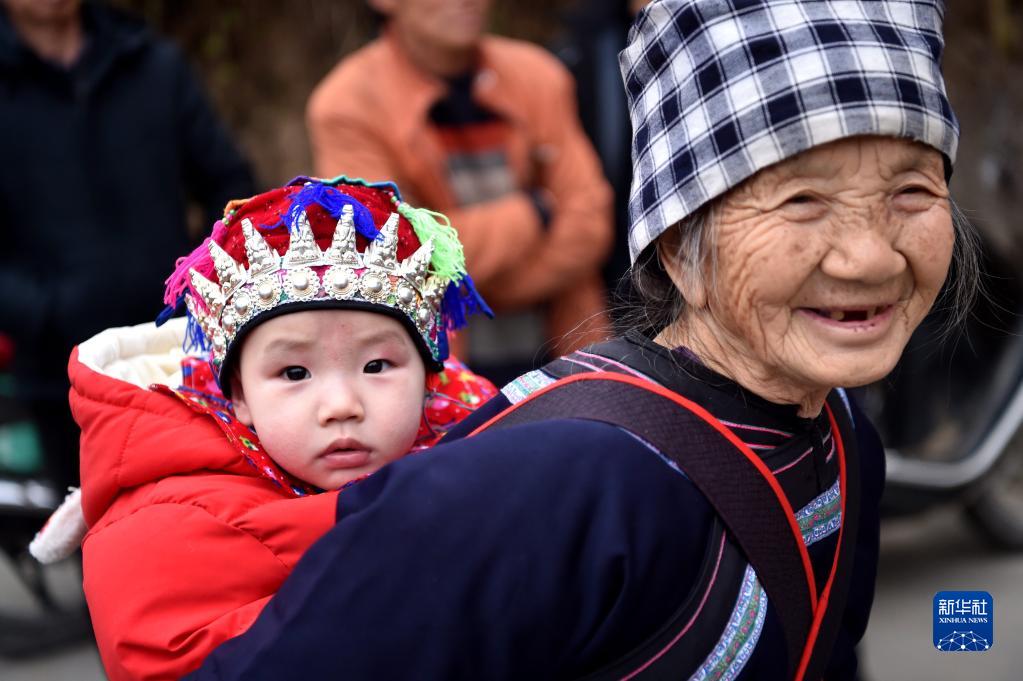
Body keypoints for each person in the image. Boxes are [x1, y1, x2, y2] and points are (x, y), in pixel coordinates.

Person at [189, 1, 975, 679]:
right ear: (677, 247)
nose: (869, 257)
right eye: (800, 199)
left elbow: (583, 220)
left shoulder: (842, 437)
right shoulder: (545, 484)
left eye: (911, 190)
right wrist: (531, 217)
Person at [46, 177, 494, 680]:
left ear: (429, 378)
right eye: (295, 373)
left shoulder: (489, 446)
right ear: (239, 395)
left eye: (376, 366)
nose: (341, 406)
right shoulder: (170, 519)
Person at [0, 0, 256, 495]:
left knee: (205, 511)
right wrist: (43, 312)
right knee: (98, 529)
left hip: (183, 354)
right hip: (62, 377)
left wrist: (200, 282)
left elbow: (230, 186)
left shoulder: (152, 63)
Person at [307, 0, 613, 383]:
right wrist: (534, 213)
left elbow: (591, 224)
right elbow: (394, 256)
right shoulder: (346, 105)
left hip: (570, 363)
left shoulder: (539, 75)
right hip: (441, 380)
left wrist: (463, 284)